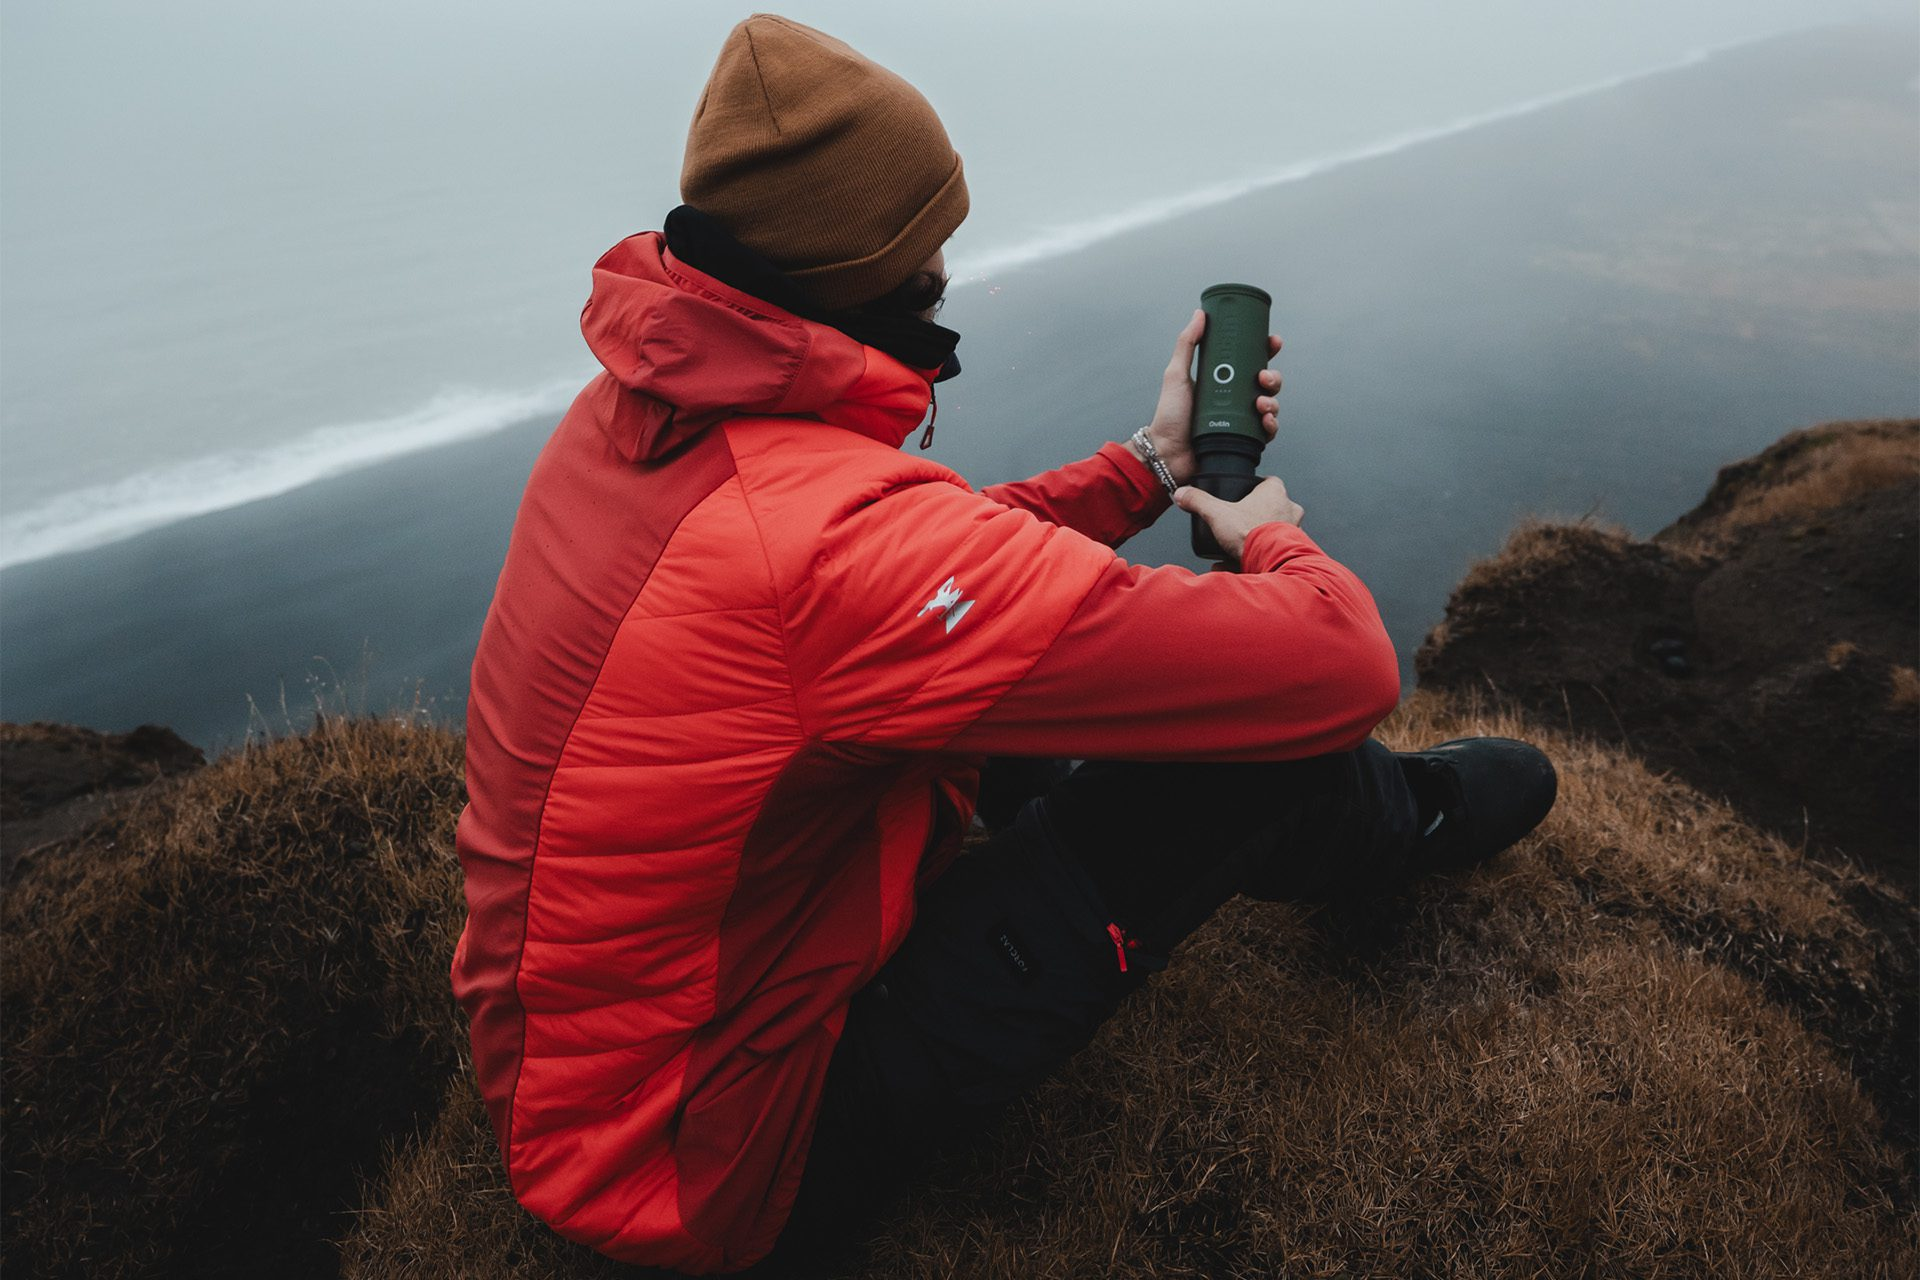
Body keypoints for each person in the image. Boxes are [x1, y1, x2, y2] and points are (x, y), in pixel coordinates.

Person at [449, 13, 1557, 1276]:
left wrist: (1144, 467)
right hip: (710, 1174)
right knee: (1248, 738)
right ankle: (1402, 819)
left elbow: (918, 575)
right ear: (853, 267)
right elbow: (1338, 659)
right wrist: (1264, 535)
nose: (944, 273)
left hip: (580, 1087)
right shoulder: (827, 551)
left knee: (1044, 698)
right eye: (925, 257)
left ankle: (1380, 815)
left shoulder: (627, 418)